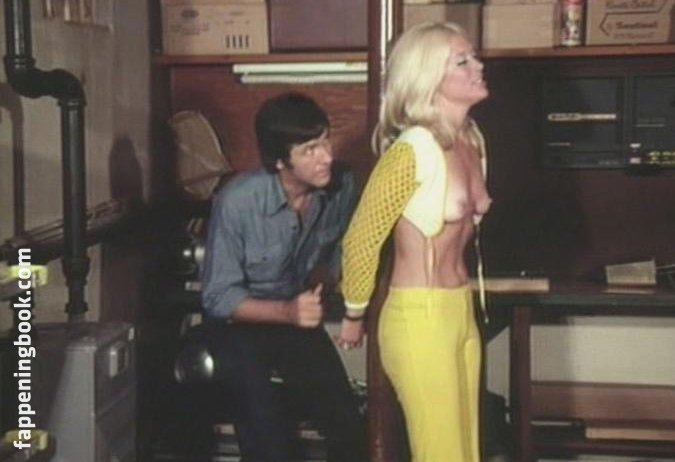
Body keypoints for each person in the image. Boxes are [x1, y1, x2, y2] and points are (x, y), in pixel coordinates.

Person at [337, 22, 491, 462]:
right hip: (419, 315)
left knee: (467, 451)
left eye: (474, 57)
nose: (478, 66)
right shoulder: (411, 150)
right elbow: (363, 236)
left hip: (460, 308)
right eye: (462, 61)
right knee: (441, 453)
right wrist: (354, 312)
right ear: (429, 78)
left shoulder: (472, 141)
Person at [200, 92, 366, 461]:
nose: (327, 156)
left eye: (325, 141)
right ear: (280, 161)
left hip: (296, 316)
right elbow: (217, 297)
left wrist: (332, 282)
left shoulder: (341, 185)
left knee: (346, 424)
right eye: (310, 150)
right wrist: (288, 312)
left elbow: (347, 244)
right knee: (267, 434)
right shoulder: (238, 201)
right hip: (240, 323)